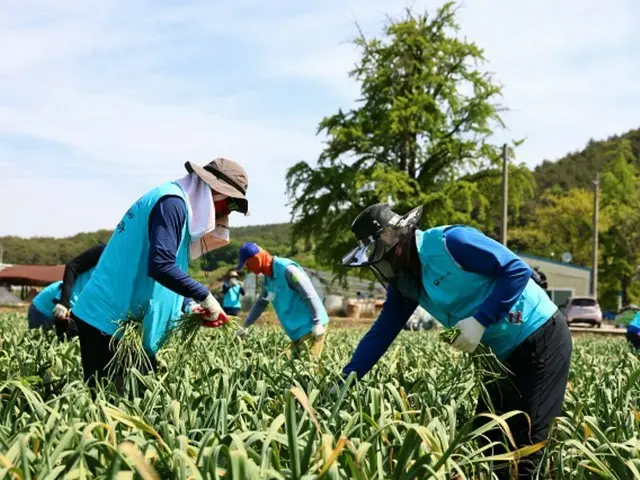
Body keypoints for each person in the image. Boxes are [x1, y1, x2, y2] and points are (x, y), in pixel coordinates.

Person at [339, 203, 572, 479]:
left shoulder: (451, 242)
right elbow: (381, 333)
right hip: (498, 357)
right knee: (488, 441)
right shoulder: (407, 284)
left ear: (398, 244)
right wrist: (345, 380)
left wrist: (480, 321)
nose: (383, 266)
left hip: (540, 336)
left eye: (382, 257)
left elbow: (516, 271)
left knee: (525, 449)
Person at [71, 158, 249, 388]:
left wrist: (188, 305)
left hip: (128, 328)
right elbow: (160, 265)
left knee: (142, 403)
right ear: (216, 193)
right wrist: (205, 296)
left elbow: (167, 270)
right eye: (232, 205)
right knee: (111, 405)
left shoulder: (180, 207)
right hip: (108, 325)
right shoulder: (171, 204)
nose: (228, 213)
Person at [234, 242, 329, 357]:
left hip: (310, 327)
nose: (248, 269)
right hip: (297, 332)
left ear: (256, 259)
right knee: (290, 366)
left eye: (247, 264)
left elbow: (310, 294)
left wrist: (317, 322)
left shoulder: (287, 270)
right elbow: (261, 303)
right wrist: (245, 326)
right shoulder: (268, 280)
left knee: (308, 368)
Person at [28, 243, 106, 340]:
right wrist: (64, 303)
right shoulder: (105, 251)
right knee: (40, 344)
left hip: (69, 305)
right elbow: (71, 267)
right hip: (41, 309)